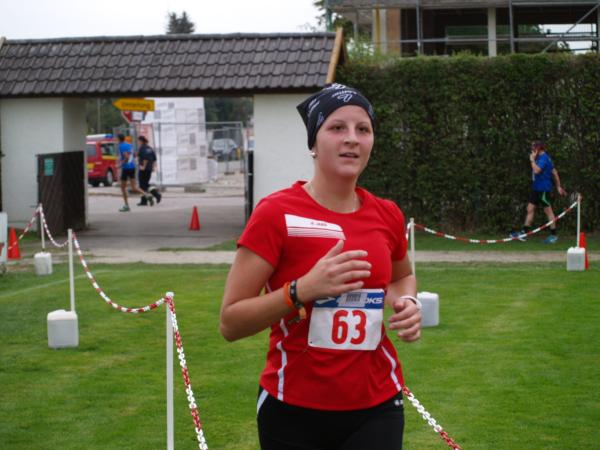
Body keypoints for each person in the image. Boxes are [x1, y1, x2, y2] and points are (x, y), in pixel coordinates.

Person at [220, 84, 421, 450]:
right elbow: (231, 323)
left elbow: (402, 276)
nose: (352, 138)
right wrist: (302, 290)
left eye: (363, 129)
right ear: (313, 142)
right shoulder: (275, 213)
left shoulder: (387, 214)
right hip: (293, 408)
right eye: (337, 127)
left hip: (377, 403)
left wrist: (406, 302)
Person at [511, 140, 566, 243]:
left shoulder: (544, 158)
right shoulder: (540, 157)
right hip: (536, 188)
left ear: (538, 148)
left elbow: (537, 171)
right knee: (530, 209)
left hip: (543, 189)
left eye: (533, 147)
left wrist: (532, 160)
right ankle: (524, 233)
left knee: (548, 211)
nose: (531, 149)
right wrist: (558, 186)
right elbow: (554, 172)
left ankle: (553, 235)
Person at [117, 133, 153, 212]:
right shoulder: (129, 145)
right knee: (134, 187)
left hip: (126, 168)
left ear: (119, 139)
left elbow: (126, 157)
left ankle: (126, 206)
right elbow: (133, 155)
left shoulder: (121, 146)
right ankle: (147, 195)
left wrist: (120, 165)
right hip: (132, 167)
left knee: (123, 188)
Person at [136, 136, 162, 206]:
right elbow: (154, 159)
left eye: (139, 141)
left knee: (142, 186)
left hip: (143, 169)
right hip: (149, 169)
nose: (138, 142)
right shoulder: (150, 148)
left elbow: (145, 158)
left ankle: (147, 199)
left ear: (141, 141)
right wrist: (153, 167)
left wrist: (143, 167)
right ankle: (154, 196)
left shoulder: (142, 148)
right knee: (145, 184)